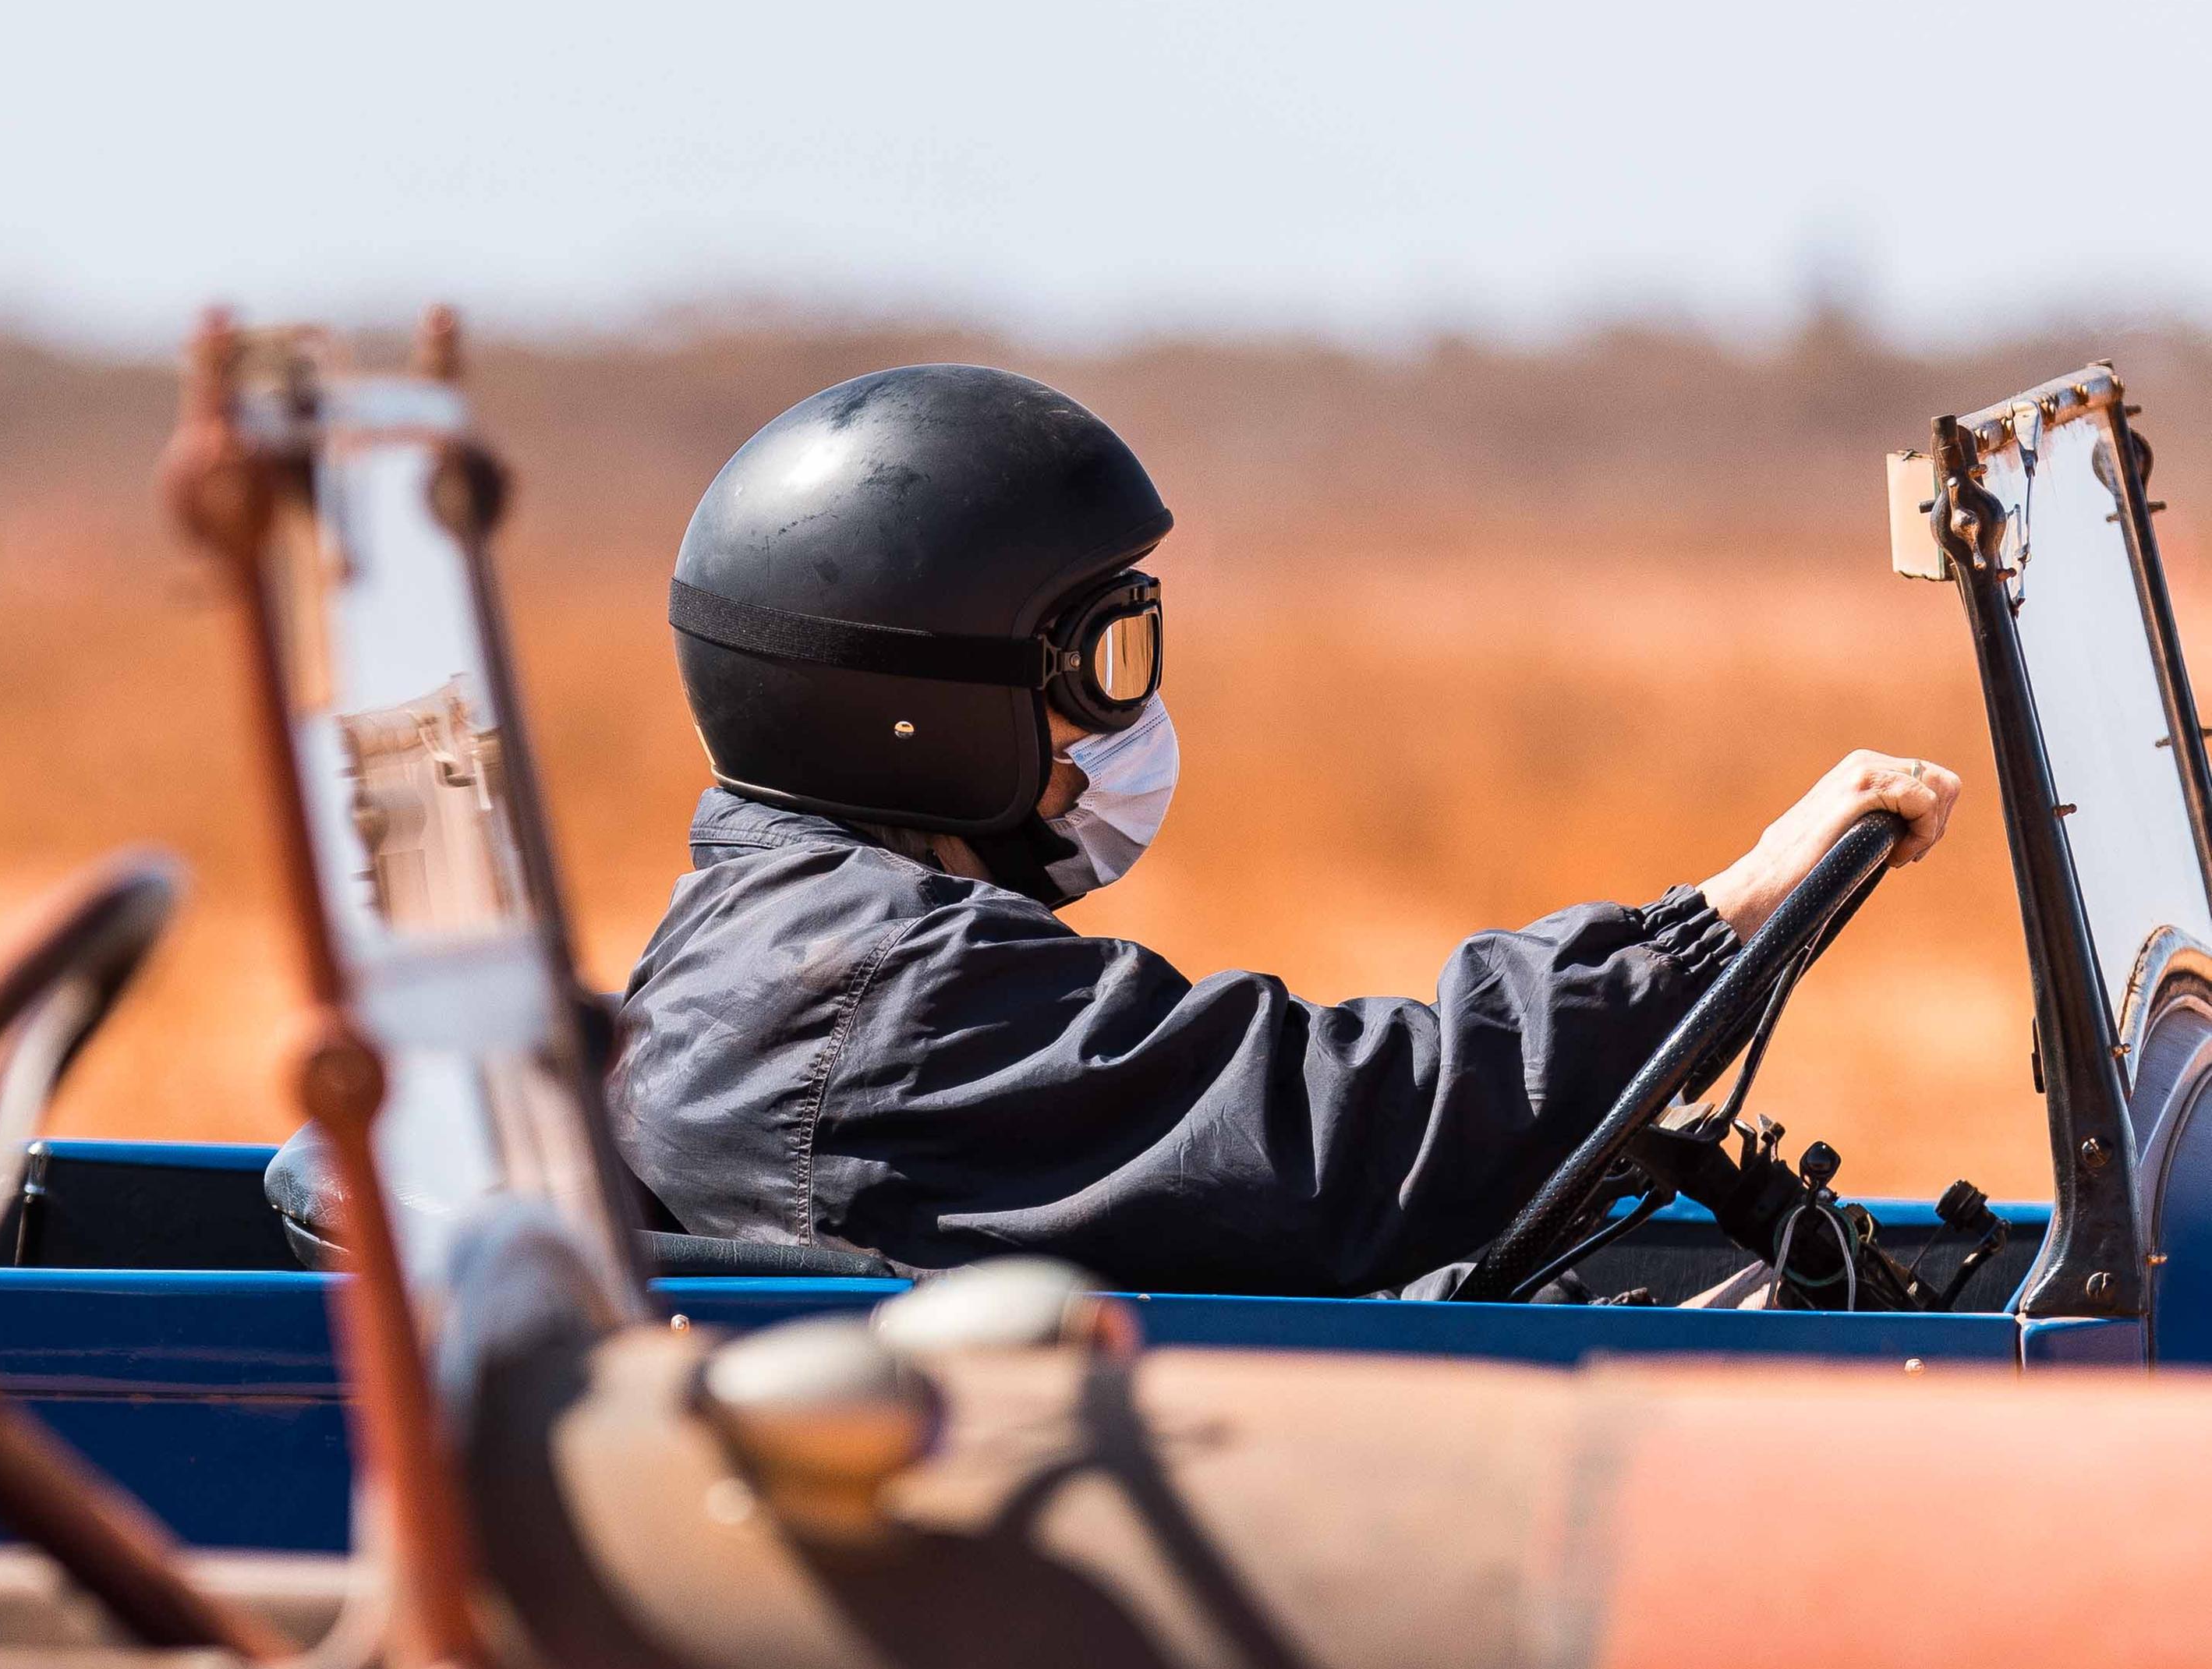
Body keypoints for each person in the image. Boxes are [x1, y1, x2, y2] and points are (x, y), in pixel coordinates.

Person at [609, 363, 1961, 1296]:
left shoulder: (776, 939)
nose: (1125, 722)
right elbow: (1352, 1137)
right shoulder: (882, 994)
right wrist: (1714, 923)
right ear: (920, 706)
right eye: (1100, 665)